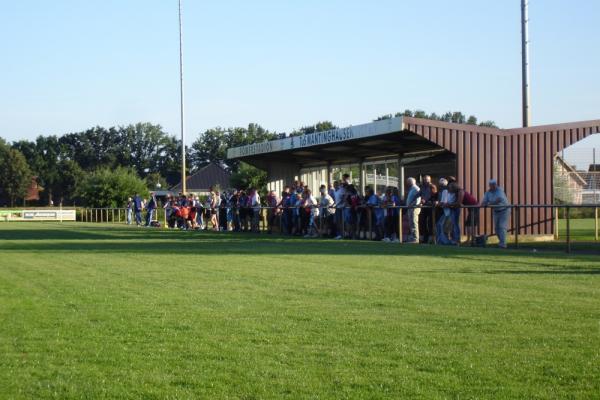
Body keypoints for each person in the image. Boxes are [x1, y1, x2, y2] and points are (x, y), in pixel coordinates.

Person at [481, 179, 510, 249]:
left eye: (494, 185)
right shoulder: (487, 193)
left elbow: (499, 199)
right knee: (496, 228)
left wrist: (489, 204)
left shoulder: (500, 190)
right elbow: (484, 202)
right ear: (489, 186)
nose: (493, 186)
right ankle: (502, 241)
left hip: (504, 210)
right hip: (496, 211)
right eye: (491, 185)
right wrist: (484, 204)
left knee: (502, 226)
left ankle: (503, 244)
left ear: (496, 185)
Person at [419, 175, 437, 244]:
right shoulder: (422, 187)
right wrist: (411, 202)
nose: (425, 181)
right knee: (422, 222)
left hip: (430, 207)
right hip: (424, 207)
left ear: (430, 180)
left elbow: (434, 196)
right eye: (424, 180)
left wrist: (426, 201)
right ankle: (425, 238)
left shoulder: (432, 186)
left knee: (430, 223)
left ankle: (431, 238)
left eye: (427, 180)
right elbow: (419, 194)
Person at [405, 177, 421, 243]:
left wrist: (413, 205)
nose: (407, 183)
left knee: (414, 223)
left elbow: (418, 199)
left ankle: (415, 239)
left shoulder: (416, 188)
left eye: (408, 182)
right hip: (410, 208)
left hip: (414, 208)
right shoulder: (412, 189)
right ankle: (413, 238)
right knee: (411, 223)